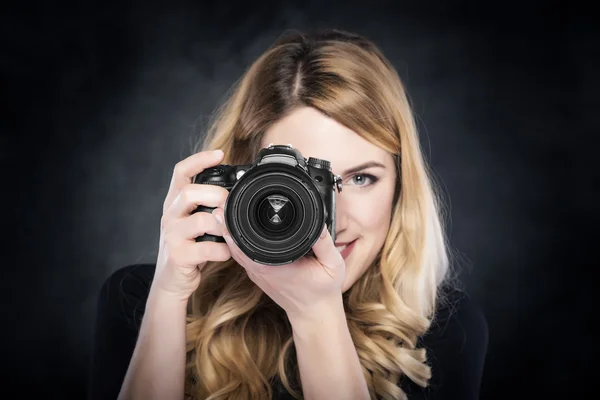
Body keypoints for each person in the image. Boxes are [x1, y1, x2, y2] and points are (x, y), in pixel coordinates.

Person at [89, 29, 489, 400]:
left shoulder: (444, 331)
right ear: (242, 181)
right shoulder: (139, 300)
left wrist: (316, 313)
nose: (335, 221)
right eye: (302, 181)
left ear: (401, 186)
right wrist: (169, 295)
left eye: (362, 178)